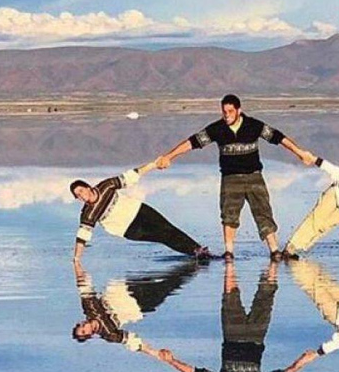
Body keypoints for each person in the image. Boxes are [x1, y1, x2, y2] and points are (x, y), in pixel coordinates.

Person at [156, 94, 316, 262]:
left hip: (254, 177)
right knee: (229, 215)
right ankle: (229, 252)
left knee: (263, 213)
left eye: (230, 111)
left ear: (239, 110)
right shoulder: (217, 129)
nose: (227, 115)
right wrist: (169, 156)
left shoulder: (253, 125)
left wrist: (300, 153)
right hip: (230, 179)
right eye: (224, 112)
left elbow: (279, 137)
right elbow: (192, 142)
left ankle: (274, 250)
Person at [143, 260, 331, 372]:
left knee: (230, 294)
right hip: (257, 337)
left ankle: (230, 261)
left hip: (232, 334)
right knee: (266, 296)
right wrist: (303, 362)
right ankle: (274, 261)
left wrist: (171, 361)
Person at [69, 159, 211, 260]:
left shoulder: (105, 186)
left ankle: (200, 250)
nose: (81, 196)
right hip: (128, 229)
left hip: (139, 211)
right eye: (78, 195)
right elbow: (82, 237)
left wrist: (153, 165)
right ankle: (195, 254)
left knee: (169, 228)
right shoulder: (87, 214)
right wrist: (76, 259)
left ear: (88, 187)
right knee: (163, 237)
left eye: (81, 191)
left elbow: (130, 176)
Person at [72, 259, 200, 352]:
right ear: (90, 335)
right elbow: (133, 343)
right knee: (170, 285)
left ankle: (194, 261)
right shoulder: (109, 334)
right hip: (139, 307)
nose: (83, 325)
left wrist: (77, 264)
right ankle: (195, 266)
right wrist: (154, 353)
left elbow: (84, 285)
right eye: (83, 330)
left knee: (164, 276)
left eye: (80, 326)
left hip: (128, 290)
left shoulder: (89, 307)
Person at [282, 157, 339, 259]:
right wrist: (313, 159)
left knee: (324, 227)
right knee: (315, 220)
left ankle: (299, 247)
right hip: (334, 194)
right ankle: (291, 248)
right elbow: (333, 169)